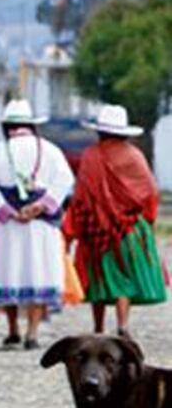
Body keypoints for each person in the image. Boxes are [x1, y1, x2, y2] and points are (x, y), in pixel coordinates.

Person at [0, 99, 75, 350]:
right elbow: (65, 179)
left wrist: (7, 210)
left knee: (9, 272)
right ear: (31, 124)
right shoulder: (50, 150)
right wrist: (40, 205)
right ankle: (32, 334)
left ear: (7, 125)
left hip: (9, 226)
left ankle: (13, 330)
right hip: (40, 226)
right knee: (38, 273)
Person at [63, 104, 167, 336]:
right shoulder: (134, 156)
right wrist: (146, 220)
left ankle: (98, 326)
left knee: (98, 277)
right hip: (129, 229)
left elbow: (81, 196)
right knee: (125, 276)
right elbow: (149, 191)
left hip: (95, 228)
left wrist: (75, 227)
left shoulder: (90, 156)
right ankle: (122, 324)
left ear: (99, 132)